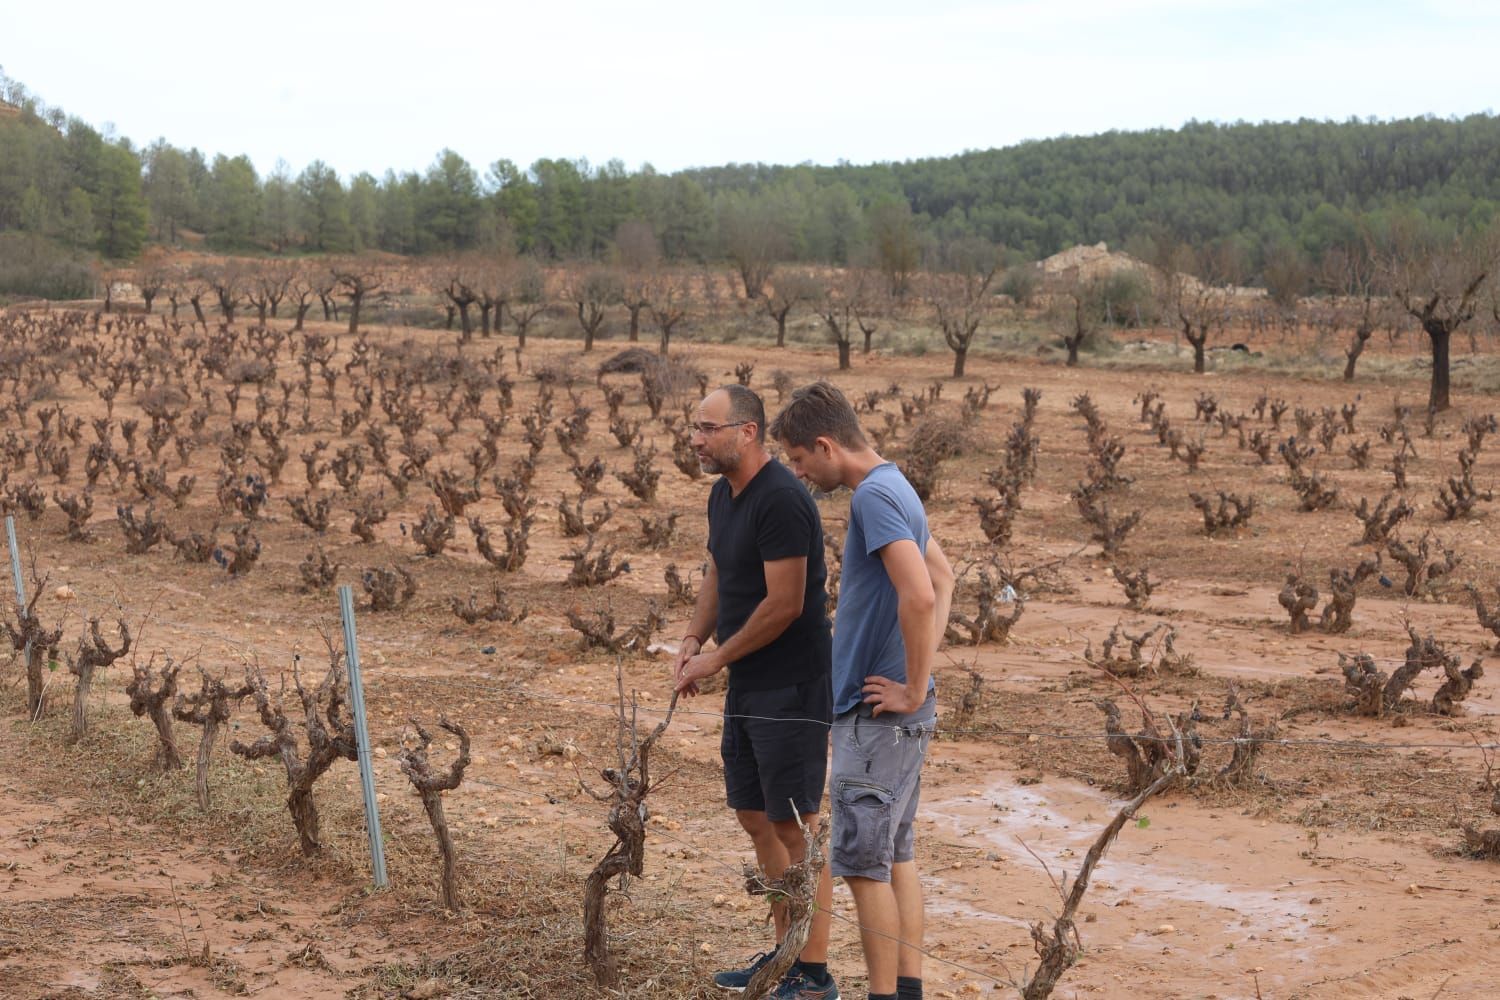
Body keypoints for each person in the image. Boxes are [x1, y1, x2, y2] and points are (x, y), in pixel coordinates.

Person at [769, 382, 954, 1000]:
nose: (798, 472)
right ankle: (906, 989)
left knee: (858, 866)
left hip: (876, 717)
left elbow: (923, 592)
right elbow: (944, 574)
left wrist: (912, 685)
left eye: (798, 459)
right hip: (896, 713)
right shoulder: (896, 484)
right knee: (895, 855)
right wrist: (917, 679)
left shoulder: (872, 498)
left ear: (825, 445)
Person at [673, 384, 839, 999]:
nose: (697, 439)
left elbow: (787, 604)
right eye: (695, 426)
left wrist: (716, 658)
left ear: (747, 432)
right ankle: (784, 957)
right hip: (748, 681)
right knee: (754, 817)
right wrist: (694, 638)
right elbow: (720, 569)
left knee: (795, 826)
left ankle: (814, 974)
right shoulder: (724, 495)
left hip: (792, 684)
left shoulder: (784, 500)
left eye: (708, 427)